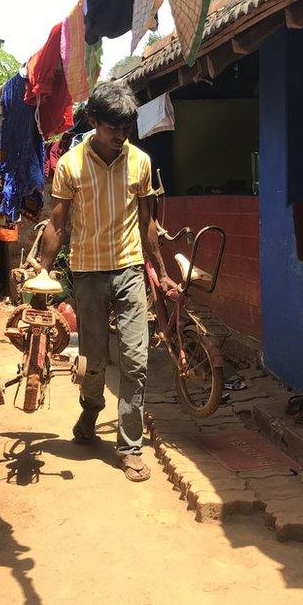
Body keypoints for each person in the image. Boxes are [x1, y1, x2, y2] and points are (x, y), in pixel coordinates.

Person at [38, 80, 176, 482]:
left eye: (127, 127)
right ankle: (91, 408)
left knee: (136, 359)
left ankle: (130, 446)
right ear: (94, 121)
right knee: (94, 360)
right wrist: (43, 273)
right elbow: (57, 223)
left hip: (131, 270)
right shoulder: (70, 165)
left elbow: (148, 224)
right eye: (112, 127)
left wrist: (162, 273)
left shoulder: (141, 162)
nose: (120, 136)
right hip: (87, 273)